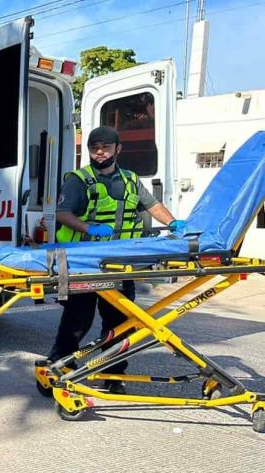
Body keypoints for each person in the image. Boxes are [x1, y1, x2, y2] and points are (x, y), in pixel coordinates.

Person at [47, 126, 186, 394]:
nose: (99, 153)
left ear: (117, 149)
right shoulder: (78, 180)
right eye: (94, 148)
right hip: (84, 264)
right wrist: (89, 228)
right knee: (77, 321)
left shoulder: (131, 180)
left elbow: (152, 205)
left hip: (120, 263)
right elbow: (62, 213)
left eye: (105, 147)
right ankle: (59, 367)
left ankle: (113, 375)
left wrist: (173, 222)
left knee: (119, 323)